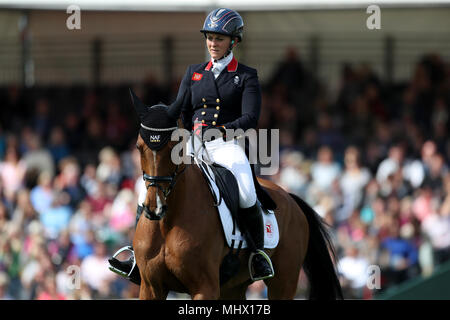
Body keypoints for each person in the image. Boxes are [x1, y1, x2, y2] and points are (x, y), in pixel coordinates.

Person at [109, 8, 275, 284]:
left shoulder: (246, 76)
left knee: (246, 189)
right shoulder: (194, 73)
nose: (212, 43)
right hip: (193, 143)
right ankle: (138, 255)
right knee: (147, 187)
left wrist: (220, 130)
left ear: (234, 41)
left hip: (227, 145)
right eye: (209, 38)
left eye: (219, 38)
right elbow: (181, 110)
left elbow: (250, 118)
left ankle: (257, 255)